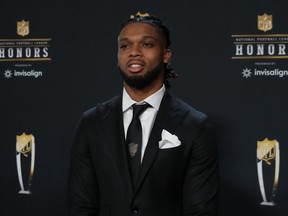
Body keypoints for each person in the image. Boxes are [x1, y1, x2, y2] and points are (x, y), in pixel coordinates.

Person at [68, 12, 218, 216]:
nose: (134, 52)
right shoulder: (91, 123)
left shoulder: (195, 126)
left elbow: (200, 211)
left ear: (166, 55)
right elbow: (81, 206)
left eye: (146, 44)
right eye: (125, 46)